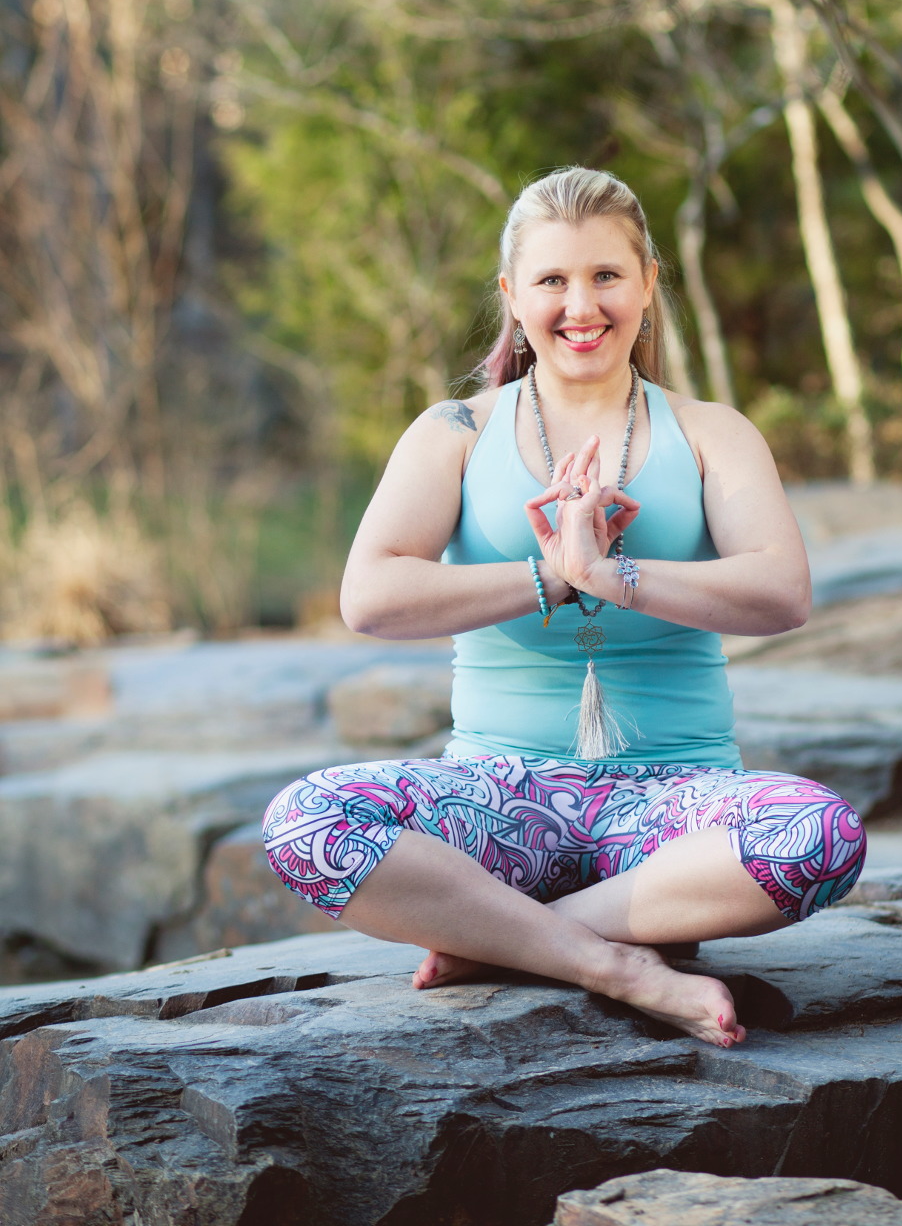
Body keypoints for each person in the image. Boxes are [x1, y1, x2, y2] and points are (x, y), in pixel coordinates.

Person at [262, 167, 865, 1047]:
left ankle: (505, 940)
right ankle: (613, 964)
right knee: (305, 820)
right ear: (512, 296)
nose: (581, 306)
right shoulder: (455, 433)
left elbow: (781, 592)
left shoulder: (711, 432)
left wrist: (610, 573)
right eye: (552, 280)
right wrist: (551, 577)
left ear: (647, 283)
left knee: (820, 834)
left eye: (605, 275)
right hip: (494, 802)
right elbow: (371, 598)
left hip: (672, 812)